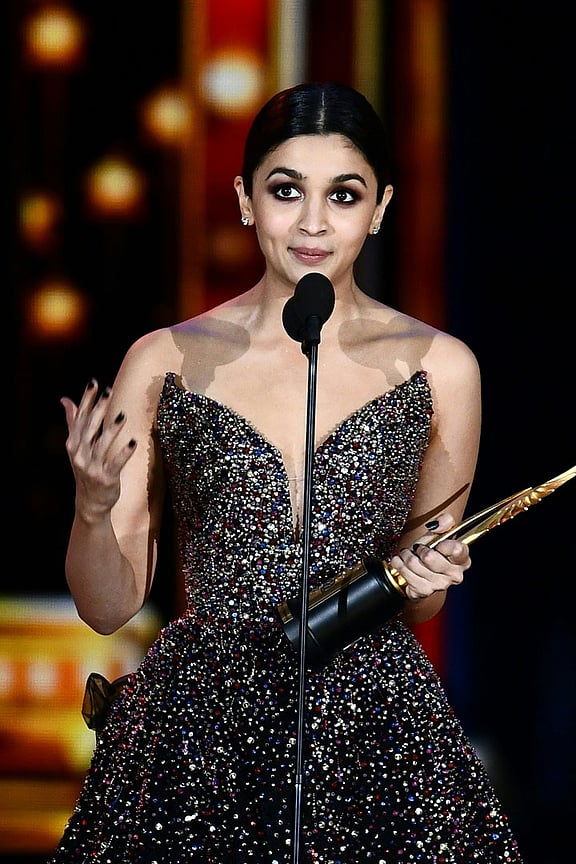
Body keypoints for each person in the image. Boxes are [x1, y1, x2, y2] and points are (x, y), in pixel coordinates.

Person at [51, 81, 523, 862]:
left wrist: (429, 572)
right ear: (244, 199)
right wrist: (95, 508)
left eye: (343, 195)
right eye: (285, 190)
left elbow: (423, 601)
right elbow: (107, 608)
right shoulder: (163, 360)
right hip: (199, 734)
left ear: (380, 208)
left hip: (375, 738)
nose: (312, 222)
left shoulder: (441, 368)